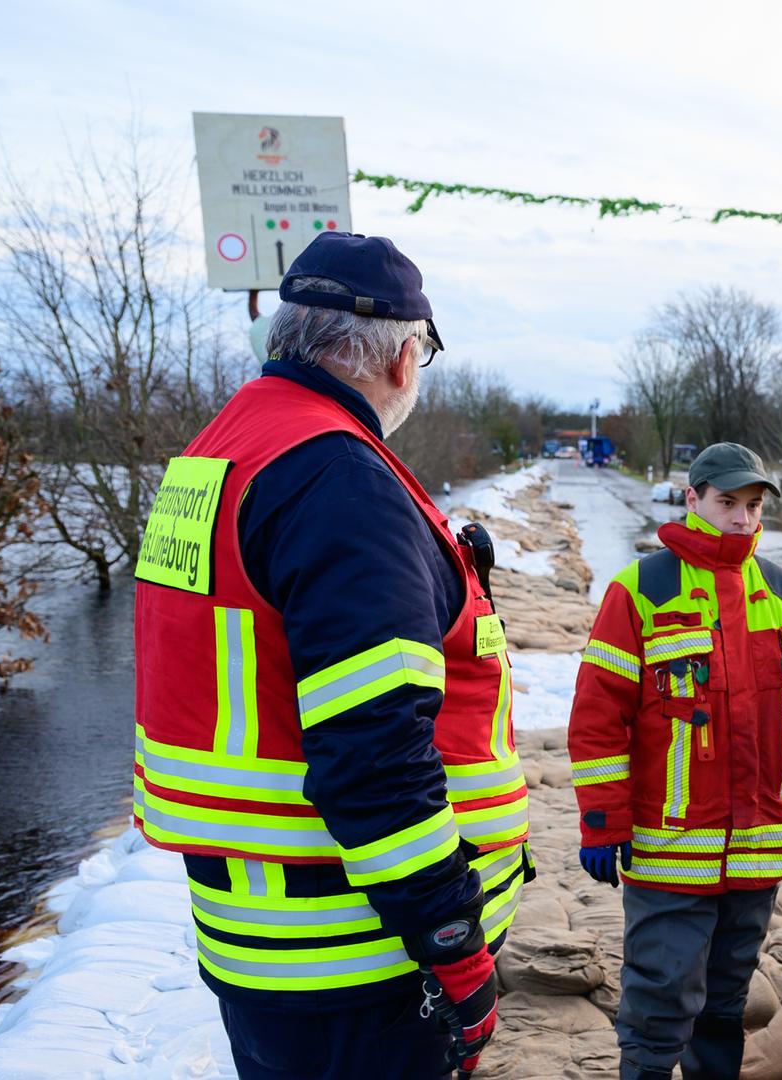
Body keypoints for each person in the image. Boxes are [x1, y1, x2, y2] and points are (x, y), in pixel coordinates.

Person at [132, 232, 529, 1079]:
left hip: (264, 933)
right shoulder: (337, 477)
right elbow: (376, 755)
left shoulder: (220, 451)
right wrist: (454, 942)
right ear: (402, 358)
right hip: (360, 955)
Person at [566, 442, 782, 1080]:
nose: (743, 519)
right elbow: (596, 717)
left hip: (759, 846)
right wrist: (601, 819)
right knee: (660, 995)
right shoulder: (640, 590)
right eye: (728, 503)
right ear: (692, 499)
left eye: (753, 506)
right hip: (669, 845)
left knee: (725, 1002)